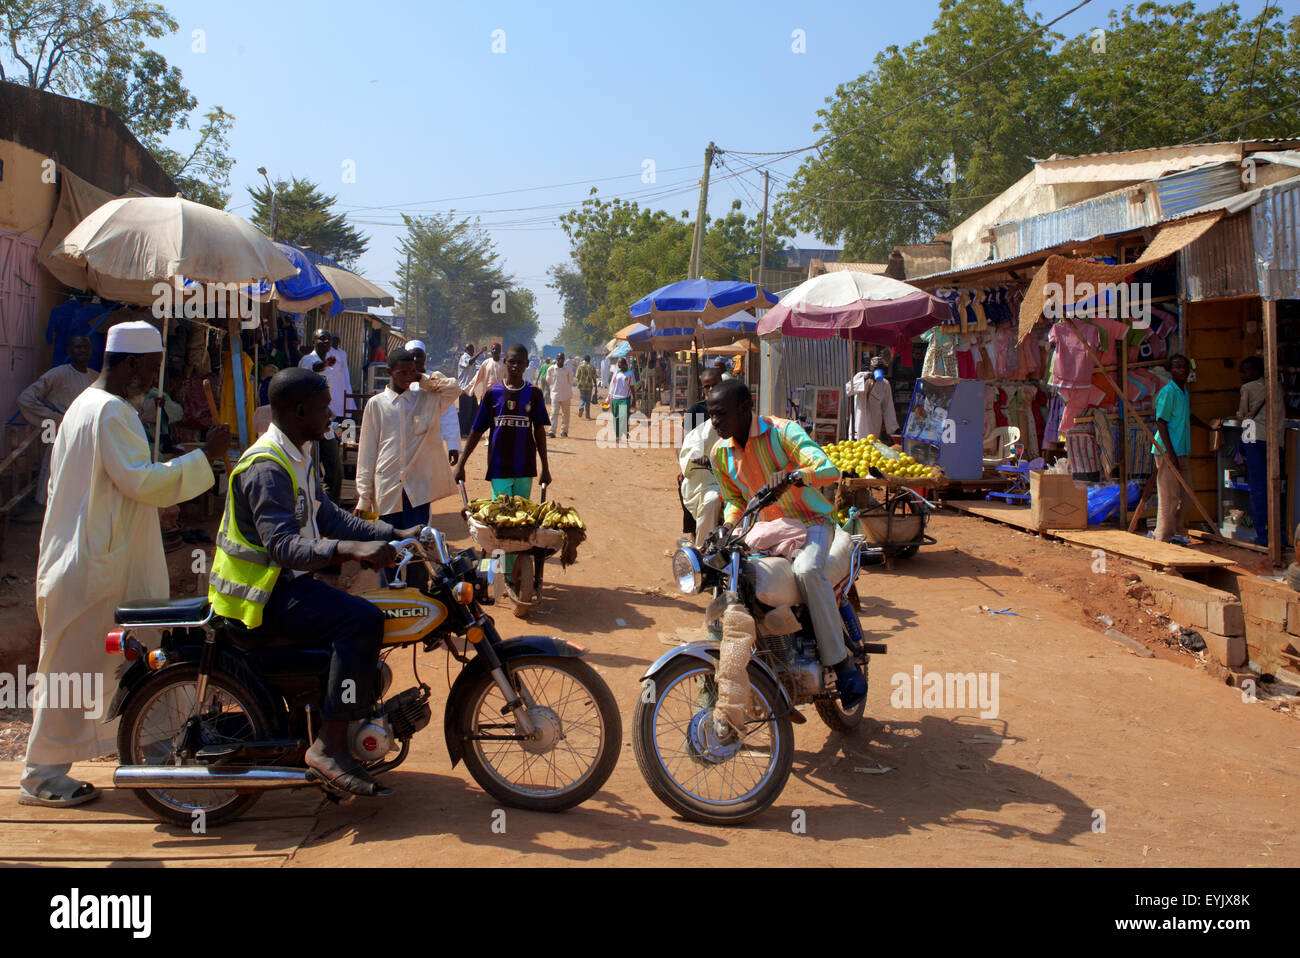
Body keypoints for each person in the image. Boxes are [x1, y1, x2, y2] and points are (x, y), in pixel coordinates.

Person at [21, 321, 228, 807]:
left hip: (94, 562)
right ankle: (41, 777)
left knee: (142, 657)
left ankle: (156, 753)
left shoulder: (87, 406)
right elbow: (143, 483)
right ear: (131, 363)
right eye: (153, 367)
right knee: (72, 673)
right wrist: (205, 456)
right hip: (92, 568)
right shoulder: (111, 411)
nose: (156, 379)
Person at [209, 367, 423, 797]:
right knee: (361, 621)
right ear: (300, 410)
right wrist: (348, 550)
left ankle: (337, 715)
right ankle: (330, 746)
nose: (332, 414)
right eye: (325, 407)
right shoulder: (267, 466)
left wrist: (391, 534)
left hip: (286, 586)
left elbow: (327, 515)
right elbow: (284, 546)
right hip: (264, 597)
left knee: (359, 613)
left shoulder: (298, 455)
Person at [707, 378, 867, 710]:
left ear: (745, 408)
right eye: (711, 414)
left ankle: (842, 664)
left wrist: (796, 476)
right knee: (731, 577)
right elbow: (734, 500)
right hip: (767, 532)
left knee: (807, 571)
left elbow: (828, 468)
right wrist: (726, 526)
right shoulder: (719, 454)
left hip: (812, 524)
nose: (715, 422)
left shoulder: (783, 432)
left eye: (721, 414)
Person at [355, 348, 461, 584]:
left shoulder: (427, 400)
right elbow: (367, 453)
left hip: (417, 492)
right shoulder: (376, 405)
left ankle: (419, 600)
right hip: (387, 491)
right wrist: (364, 496)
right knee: (387, 553)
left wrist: (424, 380)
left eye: (412, 372)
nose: (407, 377)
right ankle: (392, 604)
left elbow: (455, 387)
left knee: (418, 553)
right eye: (402, 372)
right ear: (389, 372)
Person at [454, 344, 551, 593]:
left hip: (525, 467)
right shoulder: (492, 394)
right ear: (504, 363)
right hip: (498, 467)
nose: (515, 366)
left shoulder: (534, 394)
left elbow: (539, 432)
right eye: (511, 362)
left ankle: (515, 570)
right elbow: (476, 431)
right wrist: (462, 463)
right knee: (501, 521)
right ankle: (502, 575)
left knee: (520, 521)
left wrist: (545, 467)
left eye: (520, 362)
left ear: (527, 364)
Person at [17, 334, 97, 507]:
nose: (82, 350)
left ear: (91, 350)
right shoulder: (58, 374)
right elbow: (26, 398)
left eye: (85, 347)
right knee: (57, 482)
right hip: (63, 436)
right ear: (70, 350)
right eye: (78, 347)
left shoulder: (96, 378)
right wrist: (54, 418)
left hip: (88, 439)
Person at [1212, 355, 1283, 548]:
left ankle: (1262, 537)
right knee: (1277, 488)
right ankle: (1281, 535)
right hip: (1276, 440)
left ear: (1256, 372)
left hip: (1254, 439)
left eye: (1246, 370)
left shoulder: (1247, 388)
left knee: (1258, 489)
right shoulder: (1276, 386)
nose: (1242, 375)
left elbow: (1243, 416)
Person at [1150, 354, 1212, 545]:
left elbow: (1189, 416)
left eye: (1184, 367)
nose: (1182, 370)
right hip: (1167, 452)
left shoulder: (1183, 391)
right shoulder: (1168, 392)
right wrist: (1170, 453)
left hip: (1182, 450)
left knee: (1187, 495)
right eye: (1177, 367)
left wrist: (1209, 427)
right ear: (1171, 369)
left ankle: (1174, 531)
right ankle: (1163, 536)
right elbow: (1161, 422)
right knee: (1168, 496)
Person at [298, 328, 348, 502]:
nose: (326, 342)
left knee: (334, 469)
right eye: (322, 338)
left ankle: (331, 508)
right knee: (309, 467)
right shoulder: (308, 360)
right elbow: (312, 370)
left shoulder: (329, 363)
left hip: (325, 421)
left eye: (328, 339)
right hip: (308, 422)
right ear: (314, 341)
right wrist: (326, 365)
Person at [845, 355, 899, 442]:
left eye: (880, 368)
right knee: (856, 445)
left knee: (871, 446)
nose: (877, 371)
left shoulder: (885, 384)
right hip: (859, 418)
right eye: (875, 368)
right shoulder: (860, 376)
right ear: (871, 368)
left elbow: (888, 406)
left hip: (874, 421)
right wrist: (863, 380)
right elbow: (848, 390)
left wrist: (892, 428)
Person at [545, 352, 574, 438]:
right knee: (554, 413)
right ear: (556, 359)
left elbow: (571, 381)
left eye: (562, 358)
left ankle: (564, 431)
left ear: (564, 359)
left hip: (566, 395)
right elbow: (548, 380)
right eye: (559, 358)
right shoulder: (551, 369)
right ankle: (552, 431)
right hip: (555, 394)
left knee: (566, 414)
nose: (561, 360)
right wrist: (555, 386)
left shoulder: (568, 369)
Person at [457, 342, 481, 439]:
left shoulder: (471, 358)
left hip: (470, 389)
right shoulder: (464, 357)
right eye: (471, 350)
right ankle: (463, 432)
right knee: (464, 412)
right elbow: (470, 362)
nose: (472, 351)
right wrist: (480, 353)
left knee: (473, 410)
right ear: (467, 350)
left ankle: (469, 431)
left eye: (473, 350)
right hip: (464, 389)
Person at [608, 356, 634, 447]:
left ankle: (625, 432)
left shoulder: (629, 373)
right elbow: (612, 385)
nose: (619, 364)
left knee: (624, 417)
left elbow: (632, 386)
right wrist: (609, 397)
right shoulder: (616, 373)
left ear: (625, 364)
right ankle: (617, 436)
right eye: (618, 363)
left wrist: (633, 398)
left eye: (621, 363)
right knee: (616, 418)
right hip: (615, 398)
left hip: (625, 398)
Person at [575, 355, 598, 419]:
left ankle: (581, 407)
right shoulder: (592, 367)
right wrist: (596, 386)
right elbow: (594, 377)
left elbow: (577, 376)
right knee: (588, 400)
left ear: (584, 359)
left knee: (582, 398)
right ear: (590, 360)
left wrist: (581, 380)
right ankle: (587, 415)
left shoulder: (580, 366)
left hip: (581, 385)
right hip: (589, 386)